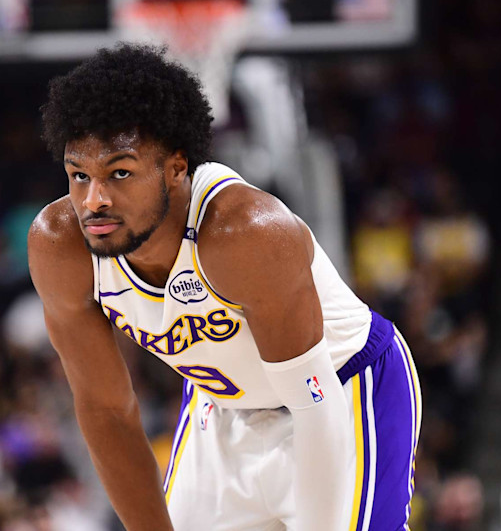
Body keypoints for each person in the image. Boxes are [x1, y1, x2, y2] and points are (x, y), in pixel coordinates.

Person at [28, 44, 422, 531]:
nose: (95, 200)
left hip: (340, 392)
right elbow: (107, 409)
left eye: (120, 173)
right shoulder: (60, 246)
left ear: (176, 167)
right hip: (222, 410)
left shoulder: (244, 233)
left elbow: (314, 405)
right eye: (79, 175)